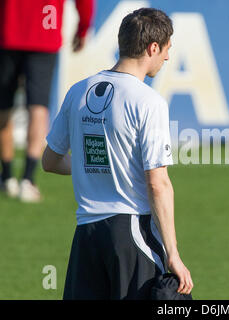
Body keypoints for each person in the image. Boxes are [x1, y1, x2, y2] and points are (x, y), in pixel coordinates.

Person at [42, 8, 193, 299]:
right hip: (131, 231)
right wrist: (173, 253)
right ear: (152, 48)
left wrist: (95, 164)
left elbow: (50, 161)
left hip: (86, 235)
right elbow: (157, 183)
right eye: (166, 50)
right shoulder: (149, 102)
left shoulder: (78, 91)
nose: (167, 58)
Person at [0, 0, 94, 202]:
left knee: (4, 107)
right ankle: (27, 179)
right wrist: (83, 29)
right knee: (38, 106)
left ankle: (7, 177)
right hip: (44, 34)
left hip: (8, 30)